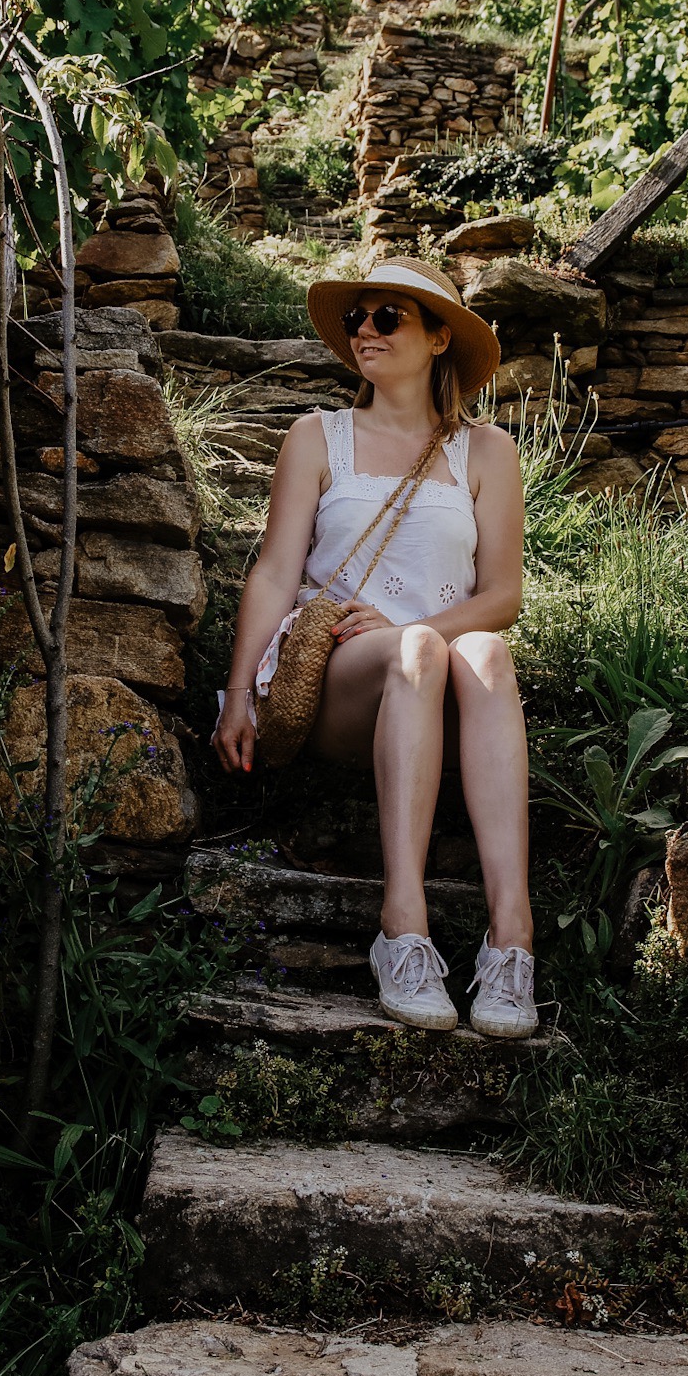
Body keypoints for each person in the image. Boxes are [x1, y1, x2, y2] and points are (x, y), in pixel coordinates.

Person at [212, 257, 536, 1039]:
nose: (364, 329)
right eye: (357, 316)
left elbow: (502, 596)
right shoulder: (316, 436)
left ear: (436, 338)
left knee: (486, 653)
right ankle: (403, 929)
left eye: (387, 316)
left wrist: (413, 630)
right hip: (341, 673)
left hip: (439, 669)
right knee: (417, 654)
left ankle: (512, 942)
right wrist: (235, 693)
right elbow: (275, 570)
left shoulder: (486, 451)